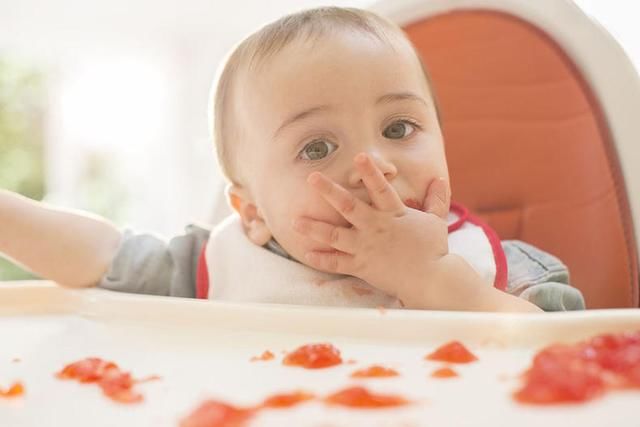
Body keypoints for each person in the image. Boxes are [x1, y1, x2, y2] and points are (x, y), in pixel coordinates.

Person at [0, 7, 585, 312]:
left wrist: (436, 283)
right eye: (317, 147)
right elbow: (102, 258)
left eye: (399, 127)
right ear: (251, 212)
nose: (372, 165)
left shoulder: (511, 273)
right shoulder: (221, 268)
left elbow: (575, 363)